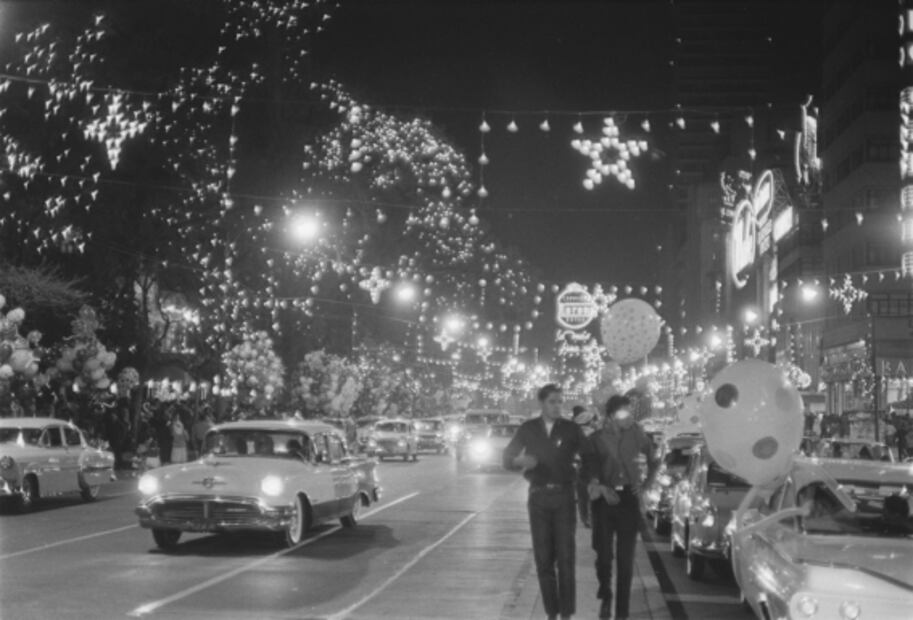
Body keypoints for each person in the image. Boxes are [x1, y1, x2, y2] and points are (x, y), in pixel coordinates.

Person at [503, 384, 591, 620]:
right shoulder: (528, 428)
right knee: (544, 560)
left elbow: (589, 456)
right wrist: (521, 461)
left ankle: (566, 614)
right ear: (541, 403)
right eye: (552, 401)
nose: (557, 406)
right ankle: (551, 612)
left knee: (565, 557)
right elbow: (507, 458)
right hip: (539, 498)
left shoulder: (571, 429)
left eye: (560, 401)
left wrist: (590, 481)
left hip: (564, 497)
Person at [584, 394, 659, 620]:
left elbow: (655, 460)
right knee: (604, 555)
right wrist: (597, 486)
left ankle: (622, 614)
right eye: (623, 413)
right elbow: (588, 469)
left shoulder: (638, 435)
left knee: (626, 561)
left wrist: (646, 485)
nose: (629, 417)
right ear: (612, 416)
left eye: (630, 412)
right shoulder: (597, 438)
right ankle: (605, 593)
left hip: (628, 500)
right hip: (604, 501)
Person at [572, 405, 597, 528]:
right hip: (591, 469)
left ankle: (585, 518)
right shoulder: (594, 434)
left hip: (580, 469)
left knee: (582, 495)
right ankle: (590, 518)